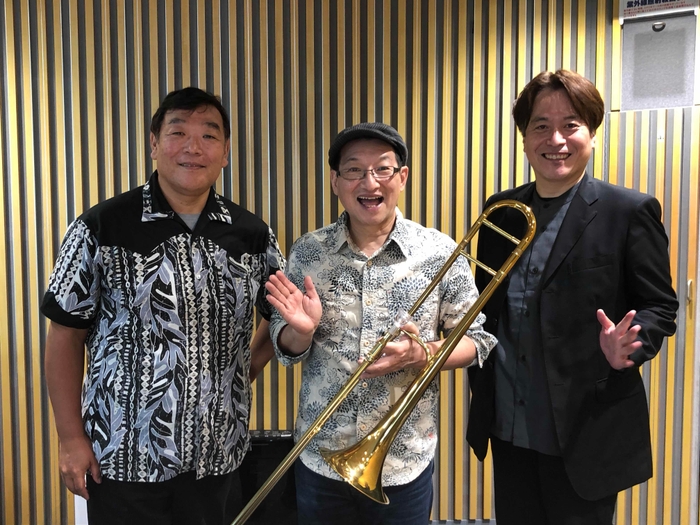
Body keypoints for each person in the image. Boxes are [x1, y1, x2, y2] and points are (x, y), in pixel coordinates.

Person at [41, 87, 284, 525]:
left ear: (225, 152)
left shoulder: (253, 236)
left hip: (217, 455)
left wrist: (242, 369)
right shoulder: (102, 227)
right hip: (123, 457)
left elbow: (280, 315)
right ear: (154, 144)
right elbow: (64, 334)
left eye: (209, 135)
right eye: (178, 133)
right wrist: (70, 438)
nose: (193, 147)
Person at [466, 70, 679, 524]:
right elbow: (486, 308)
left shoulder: (628, 211)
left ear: (593, 134)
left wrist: (631, 345)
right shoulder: (500, 211)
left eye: (571, 125)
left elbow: (660, 305)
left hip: (585, 428)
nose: (556, 140)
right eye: (541, 126)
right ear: (525, 139)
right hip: (508, 423)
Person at [265, 122, 497, 525]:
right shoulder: (308, 251)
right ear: (336, 182)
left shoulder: (439, 251)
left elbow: (478, 341)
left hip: (403, 461)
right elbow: (283, 348)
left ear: (402, 177)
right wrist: (300, 332)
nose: (369, 182)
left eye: (382, 169)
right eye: (354, 169)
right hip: (320, 456)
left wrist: (423, 354)